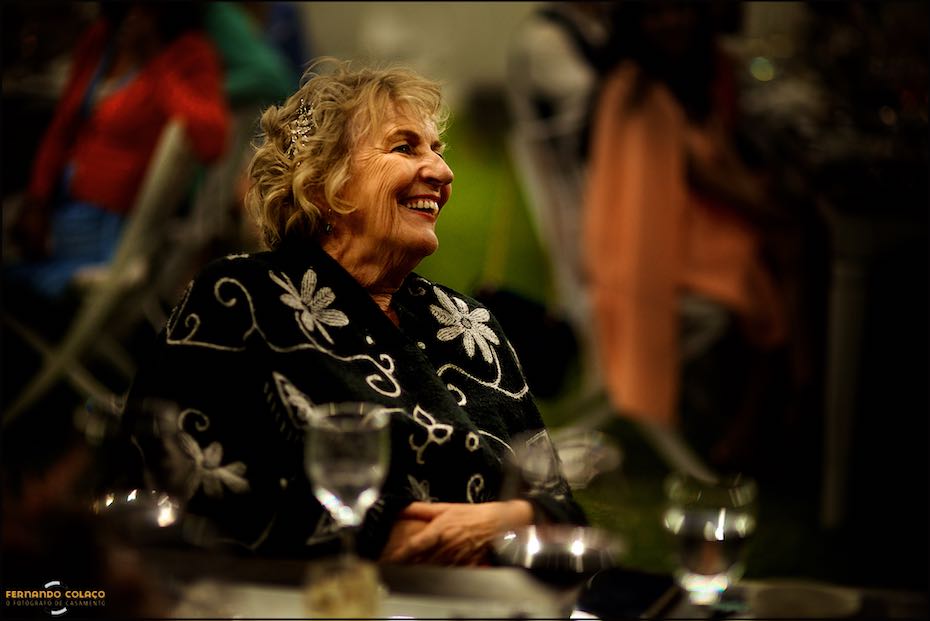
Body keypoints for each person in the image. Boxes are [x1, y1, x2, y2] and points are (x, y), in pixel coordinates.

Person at [117, 59, 586, 564]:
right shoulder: (241, 298)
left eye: (437, 150)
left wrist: (503, 522)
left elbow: (557, 503)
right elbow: (176, 476)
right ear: (324, 183)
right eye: (405, 147)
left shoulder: (467, 323)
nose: (443, 172)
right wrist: (378, 534)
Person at [582, 4, 789, 463]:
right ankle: (758, 420)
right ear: (636, 21)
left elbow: (716, 153)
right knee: (777, 263)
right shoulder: (637, 89)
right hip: (656, 247)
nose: (671, 18)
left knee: (789, 253)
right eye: (655, 12)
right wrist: (764, 208)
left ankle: (765, 410)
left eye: (680, 8)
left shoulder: (686, 75)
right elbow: (689, 178)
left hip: (691, 227)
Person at [5, 2, 229, 300]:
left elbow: (212, 143)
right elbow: (63, 126)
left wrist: (155, 61)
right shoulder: (102, 37)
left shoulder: (187, 52)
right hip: (59, 203)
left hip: (105, 229)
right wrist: (37, 197)